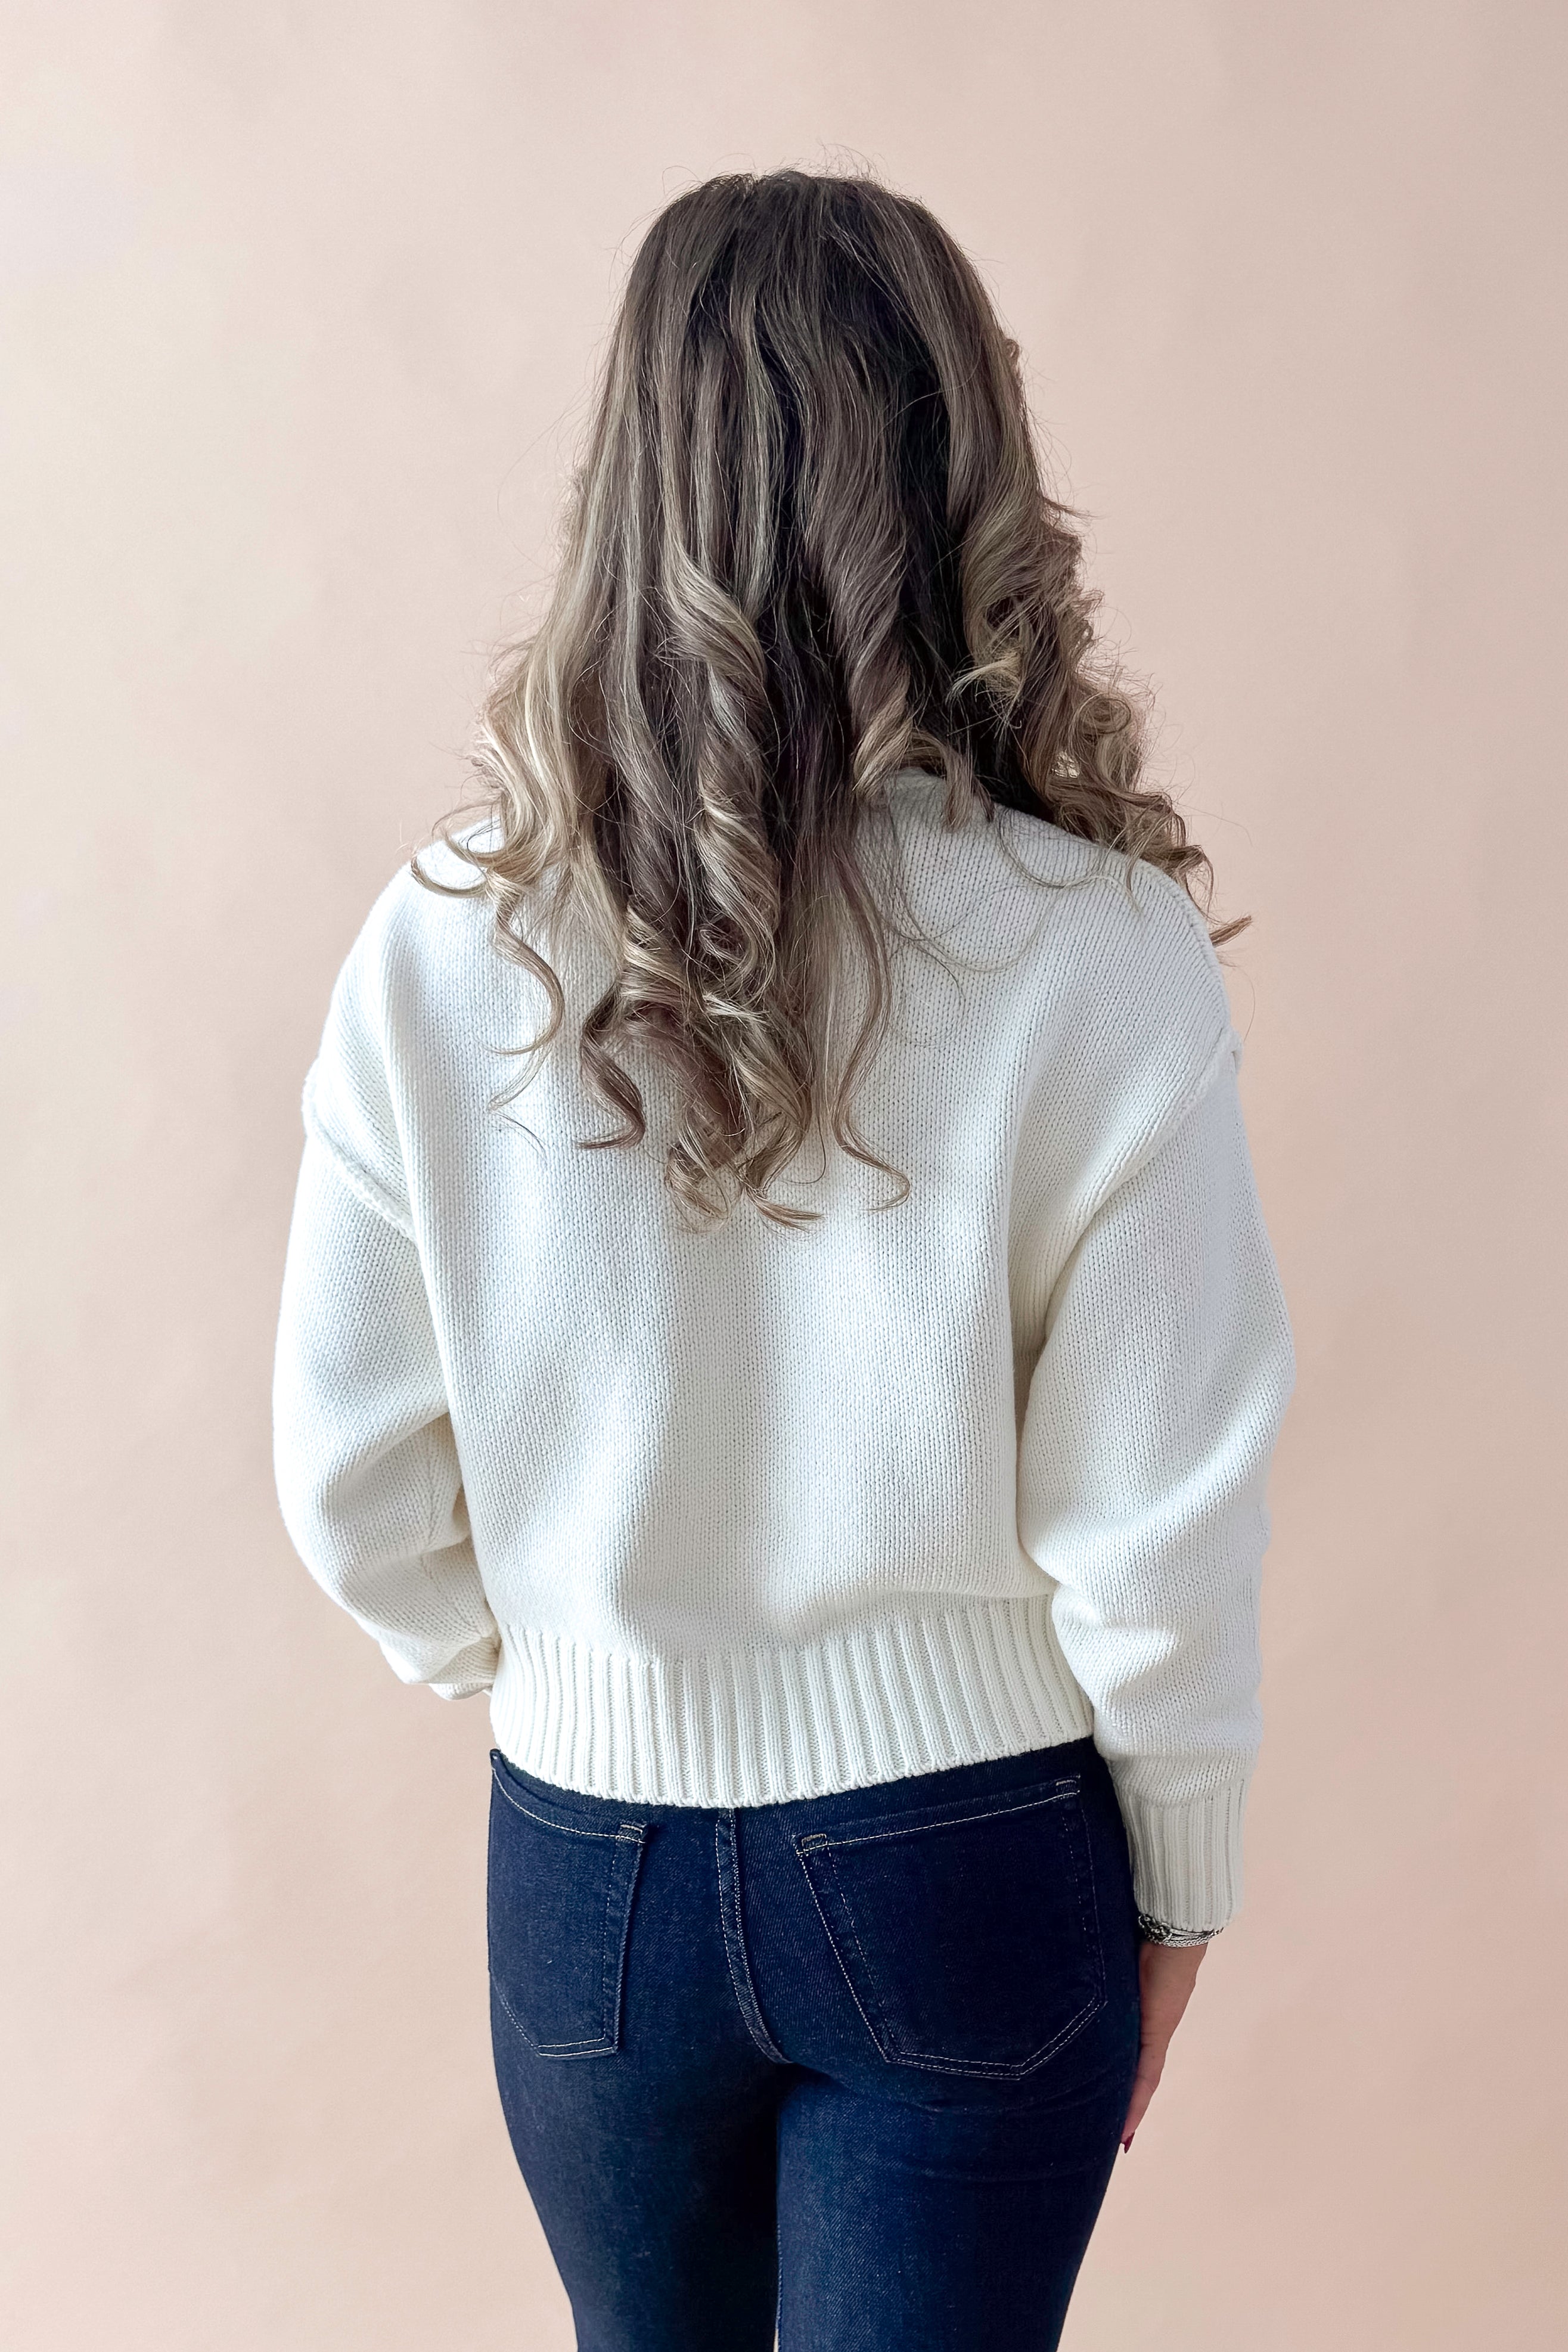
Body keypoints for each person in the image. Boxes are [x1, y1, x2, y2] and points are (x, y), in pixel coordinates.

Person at [272, 168, 1294, 2352]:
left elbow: (347, 1470)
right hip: (967, 1860)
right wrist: (1183, 1881)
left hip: (586, 1878)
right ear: (963, 470)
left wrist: (564, 1669)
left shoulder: (444, 933)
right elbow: (1165, 1511)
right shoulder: (1094, 951)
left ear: (633, 474)